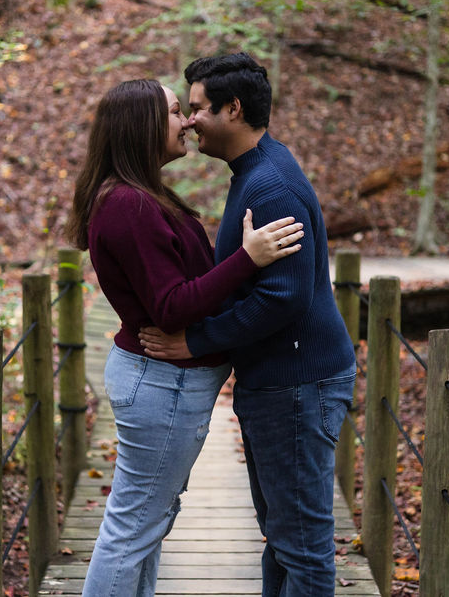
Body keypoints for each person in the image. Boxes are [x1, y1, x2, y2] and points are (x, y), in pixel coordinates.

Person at [65, 78, 305, 597]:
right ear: (143, 126)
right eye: (177, 112)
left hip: (163, 384)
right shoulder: (128, 204)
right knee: (133, 529)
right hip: (162, 386)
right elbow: (171, 306)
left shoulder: (136, 195)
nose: (188, 121)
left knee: (145, 523)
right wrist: (249, 258)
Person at [138, 53, 357, 596]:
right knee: (283, 539)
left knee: (302, 548)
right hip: (281, 384)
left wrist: (195, 341)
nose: (188, 121)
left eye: (197, 109)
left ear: (233, 109)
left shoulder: (270, 187)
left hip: (299, 385)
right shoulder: (257, 172)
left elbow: (281, 299)